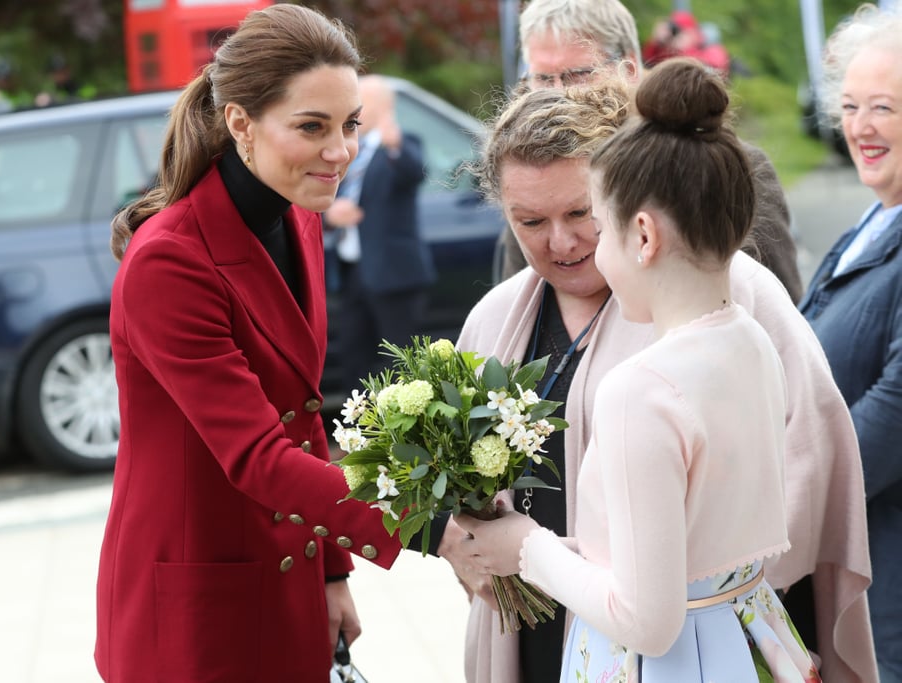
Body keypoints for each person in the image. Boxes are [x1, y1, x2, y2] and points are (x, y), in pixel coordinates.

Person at [427, 74, 876, 683]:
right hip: (539, 632)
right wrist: (463, 539)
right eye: (529, 222)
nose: (561, 242)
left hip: (671, 643)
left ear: (635, 215)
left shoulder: (735, 302)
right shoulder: (496, 318)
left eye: (582, 215)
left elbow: (811, 454)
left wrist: (729, 604)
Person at [95, 6, 401, 681]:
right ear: (240, 123)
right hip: (191, 594)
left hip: (285, 565)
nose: (341, 151)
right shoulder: (168, 260)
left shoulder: (298, 217)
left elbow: (302, 414)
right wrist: (425, 523)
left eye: (350, 124)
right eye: (312, 128)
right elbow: (258, 452)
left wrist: (332, 568)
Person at [496, 0, 803, 304]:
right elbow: (519, 315)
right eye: (543, 79)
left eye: (578, 75)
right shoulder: (534, 191)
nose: (558, 95)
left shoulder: (718, 168)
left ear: (629, 67)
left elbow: (779, 314)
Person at [799, 6, 902, 682]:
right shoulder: (874, 216)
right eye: (851, 106)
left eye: (885, 108)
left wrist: (773, 499)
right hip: (847, 578)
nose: (860, 127)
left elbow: (893, 411)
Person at [323, 74, 435, 387]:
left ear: (384, 107)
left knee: (400, 359)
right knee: (354, 354)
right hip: (352, 272)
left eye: (361, 103)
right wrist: (332, 215)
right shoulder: (346, 150)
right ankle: (360, 429)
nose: (353, 110)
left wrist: (394, 144)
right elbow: (323, 202)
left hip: (393, 273)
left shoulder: (400, 145)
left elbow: (414, 171)